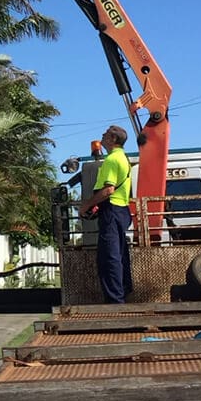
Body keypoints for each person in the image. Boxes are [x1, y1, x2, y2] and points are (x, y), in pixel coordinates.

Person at [79, 125, 133, 304]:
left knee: (109, 257)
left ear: (113, 140)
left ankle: (115, 300)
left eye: (106, 134)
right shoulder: (123, 158)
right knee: (119, 254)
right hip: (121, 209)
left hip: (112, 211)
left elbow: (108, 189)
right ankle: (123, 292)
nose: (102, 135)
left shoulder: (111, 160)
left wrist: (86, 205)